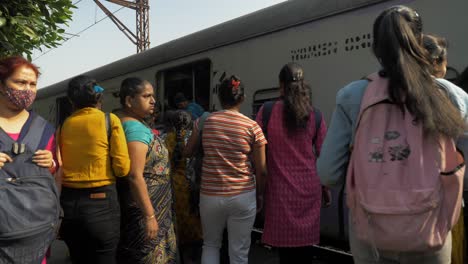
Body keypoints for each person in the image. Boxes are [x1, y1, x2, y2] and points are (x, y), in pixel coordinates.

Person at [317, 6, 468, 264]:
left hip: (371, 235)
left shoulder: (351, 96)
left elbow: (328, 173)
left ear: (376, 49)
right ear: (420, 43)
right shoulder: (450, 95)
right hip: (430, 229)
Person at [185, 75, 267, 264]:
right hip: (243, 195)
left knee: (211, 245)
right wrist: (260, 195)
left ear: (220, 98)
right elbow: (262, 170)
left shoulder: (204, 122)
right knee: (239, 252)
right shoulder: (253, 127)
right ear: (243, 98)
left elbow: (187, 151)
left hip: (210, 195)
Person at [255, 63, 328, 263]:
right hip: (309, 192)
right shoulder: (316, 115)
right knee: (305, 252)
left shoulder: (267, 111)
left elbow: (256, 148)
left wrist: (259, 190)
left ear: (281, 85)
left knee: (285, 255)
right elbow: (324, 155)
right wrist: (326, 189)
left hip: (280, 193)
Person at [59, 75, 130, 264]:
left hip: (69, 206)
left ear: (71, 100)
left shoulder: (63, 126)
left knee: (78, 258)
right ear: (99, 98)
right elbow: (122, 168)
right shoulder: (109, 120)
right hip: (101, 205)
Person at [0, 56, 58, 264]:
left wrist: (50, 163)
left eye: (32, 84)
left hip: (36, 234)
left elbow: (53, 170)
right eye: (20, 82)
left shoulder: (44, 128)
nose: (27, 89)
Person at [116, 77, 177, 264]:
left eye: (153, 96)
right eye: (146, 96)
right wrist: (150, 215)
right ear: (129, 100)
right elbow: (135, 175)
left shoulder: (129, 124)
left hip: (149, 206)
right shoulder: (134, 129)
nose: (153, 101)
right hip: (146, 209)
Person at [423, 33, 466, 264]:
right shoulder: (451, 92)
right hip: (445, 199)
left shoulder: (388, 90)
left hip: (407, 204)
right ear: (437, 62)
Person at [165, 110, 203, 264]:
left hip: (176, 187)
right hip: (194, 186)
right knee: (197, 224)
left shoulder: (167, 139)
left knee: (180, 225)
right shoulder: (194, 138)